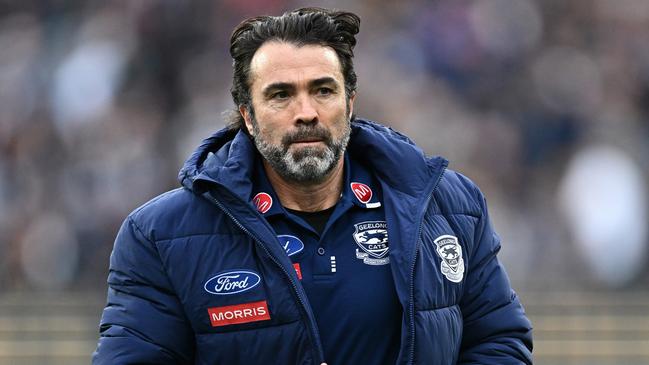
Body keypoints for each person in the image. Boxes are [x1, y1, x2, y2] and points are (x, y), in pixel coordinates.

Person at [93, 7, 533, 365]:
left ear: (350, 102)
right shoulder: (159, 235)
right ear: (247, 115)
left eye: (323, 90)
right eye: (281, 95)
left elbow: (499, 342)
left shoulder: (452, 206)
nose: (306, 112)